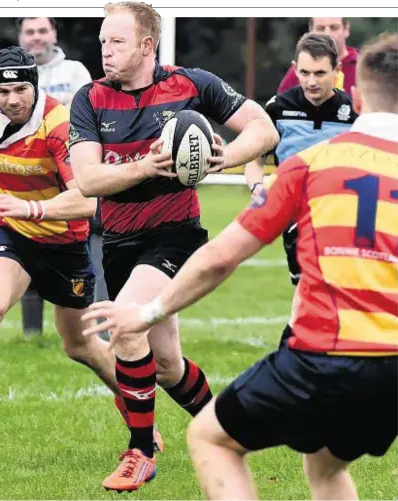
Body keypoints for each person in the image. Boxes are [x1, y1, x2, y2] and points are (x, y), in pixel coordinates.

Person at [83, 32, 398, 500]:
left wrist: (146, 314)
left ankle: (144, 448)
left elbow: (221, 256)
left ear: (353, 94)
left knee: (212, 439)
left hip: (321, 356)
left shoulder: (309, 165)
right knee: (325, 464)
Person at [69, 0, 279, 492]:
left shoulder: (192, 84)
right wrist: (147, 165)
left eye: (116, 42)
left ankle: (141, 452)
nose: (106, 50)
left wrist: (220, 158)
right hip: (119, 242)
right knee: (165, 365)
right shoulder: (90, 98)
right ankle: (230, 428)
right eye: (102, 41)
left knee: (125, 322)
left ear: (147, 45)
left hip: (175, 236)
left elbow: (262, 129)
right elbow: (87, 178)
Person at [0, 47, 123, 427]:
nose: (12, 100)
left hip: (64, 245)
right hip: (13, 236)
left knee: (81, 346)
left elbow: (86, 202)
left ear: (34, 86)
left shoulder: (59, 124)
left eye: (20, 89)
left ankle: (137, 411)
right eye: (3, 92)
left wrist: (29, 208)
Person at [246, 33, 357, 290]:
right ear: (295, 69)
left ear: (337, 70)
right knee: (306, 288)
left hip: (339, 213)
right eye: (305, 73)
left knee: (330, 288)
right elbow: (255, 158)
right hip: (294, 213)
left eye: (320, 74)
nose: (311, 81)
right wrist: (257, 188)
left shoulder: (353, 111)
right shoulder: (277, 108)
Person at [17, 17, 94, 336]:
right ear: (20, 37)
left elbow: (83, 111)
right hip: (28, 175)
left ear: (54, 34)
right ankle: (31, 334)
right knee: (22, 241)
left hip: (70, 173)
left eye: (42, 30)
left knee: (73, 248)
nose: (36, 37)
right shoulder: (13, 74)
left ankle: (85, 328)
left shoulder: (75, 71)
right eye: (29, 31)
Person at [278, 18, 359, 95]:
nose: (328, 34)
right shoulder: (299, 70)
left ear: (346, 30)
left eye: (334, 28)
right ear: (311, 30)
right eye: (320, 28)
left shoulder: (363, 66)